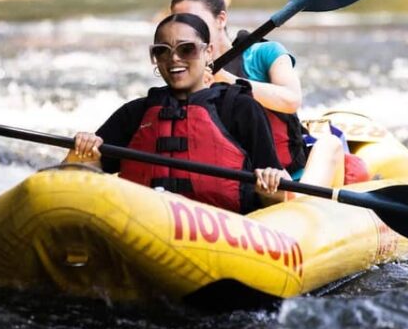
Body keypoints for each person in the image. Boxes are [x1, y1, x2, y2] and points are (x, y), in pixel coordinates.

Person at [64, 12, 291, 214]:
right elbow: (76, 175)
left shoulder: (240, 108)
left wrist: (270, 185)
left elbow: (274, 197)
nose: (174, 58)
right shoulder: (135, 113)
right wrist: (83, 152)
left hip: (223, 235)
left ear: (208, 52)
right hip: (144, 227)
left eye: (187, 49)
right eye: (162, 51)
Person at [169, 0, 370, 187]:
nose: (189, 30)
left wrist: (227, 79)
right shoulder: (183, 74)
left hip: (290, 174)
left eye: (196, 21)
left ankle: (298, 200)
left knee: (329, 144)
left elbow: (291, 100)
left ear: (220, 20)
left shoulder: (266, 53)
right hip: (238, 182)